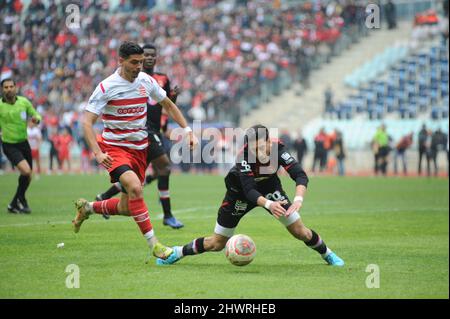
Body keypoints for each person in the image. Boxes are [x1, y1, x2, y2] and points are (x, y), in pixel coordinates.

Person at [72, 42, 198, 262]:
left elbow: (167, 104)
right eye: (134, 62)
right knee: (135, 188)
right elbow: (86, 123)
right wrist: (98, 153)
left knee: (127, 207)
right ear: (120, 60)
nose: (139, 66)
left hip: (140, 148)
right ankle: (157, 246)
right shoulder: (106, 87)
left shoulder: (145, 81)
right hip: (115, 149)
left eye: (141, 62)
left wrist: (187, 130)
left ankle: (89, 208)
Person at [156, 125, 344, 267]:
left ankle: (328, 254)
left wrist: (297, 200)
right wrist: (269, 205)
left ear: (269, 142)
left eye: (260, 147)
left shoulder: (279, 150)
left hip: (271, 188)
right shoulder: (243, 157)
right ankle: (176, 252)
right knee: (217, 243)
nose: (257, 152)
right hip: (239, 194)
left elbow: (300, 175)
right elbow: (250, 191)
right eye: (254, 148)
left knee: (299, 231)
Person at [95, 43, 184, 229]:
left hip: (153, 131)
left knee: (142, 176)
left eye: (152, 56)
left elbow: (166, 105)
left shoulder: (161, 79)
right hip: (143, 131)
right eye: (146, 56)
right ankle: (167, 215)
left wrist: (172, 103)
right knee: (164, 167)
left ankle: (103, 198)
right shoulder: (128, 76)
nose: (149, 59)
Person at [0, 78, 42, 213]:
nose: (9, 89)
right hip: (9, 145)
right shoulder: (0, 106)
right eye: (6, 87)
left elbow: (35, 114)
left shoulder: (23, 102)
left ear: (15, 87)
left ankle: (13, 204)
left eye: (11, 86)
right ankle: (21, 199)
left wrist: (36, 119)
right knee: (26, 171)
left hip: (24, 143)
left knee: (28, 176)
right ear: (2, 89)